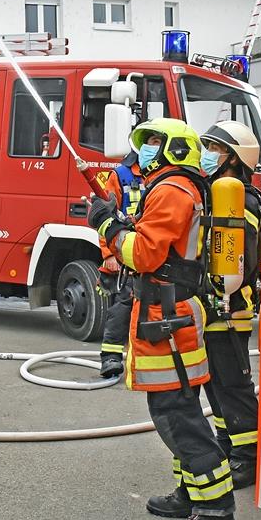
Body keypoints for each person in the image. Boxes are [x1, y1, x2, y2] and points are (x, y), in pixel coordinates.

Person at [87, 117, 236, 520]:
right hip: (167, 312)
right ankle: (191, 493)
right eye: (146, 141)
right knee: (174, 408)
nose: (148, 149)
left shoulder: (172, 189)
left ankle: (216, 509)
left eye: (156, 141)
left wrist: (107, 226)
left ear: (175, 148)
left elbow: (146, 255)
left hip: (169, 317)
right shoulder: (176, 187)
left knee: (178, 414)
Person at [198, 120, 261, 491]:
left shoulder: (244, 199)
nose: (208, 153)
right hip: (212, 303)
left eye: (215, 148)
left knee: (234, 385)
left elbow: (244, 256)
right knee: (216, 385)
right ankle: (229, 448)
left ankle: (248, 458)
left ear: (234, 159)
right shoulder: (218, 194)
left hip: (231, 306)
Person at [96, 149, 145, 378]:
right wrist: (108, 253)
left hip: (150, 252)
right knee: (122, 305)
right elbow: (105, 213)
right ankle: (111, 358)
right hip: (125, 251)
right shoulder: (121, 175)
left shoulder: (164, 176)